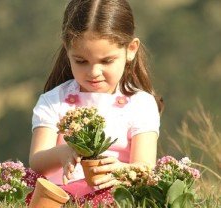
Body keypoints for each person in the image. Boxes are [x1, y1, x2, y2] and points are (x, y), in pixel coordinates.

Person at [28, 0, 164, 206]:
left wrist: (120, 169)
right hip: (60, 193)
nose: (93, 72)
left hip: (113, 191)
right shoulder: (54, 101)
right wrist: (62, 153)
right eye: (81, 61)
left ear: (131, 49)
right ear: (67, 50)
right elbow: (37, 161)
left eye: (106, 61)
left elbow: (145, 167)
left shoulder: (140, 103)